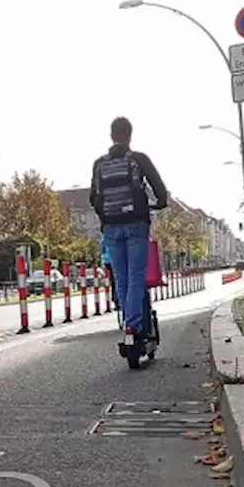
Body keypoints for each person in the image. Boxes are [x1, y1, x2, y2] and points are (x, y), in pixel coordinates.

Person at [89, 116, 168, 343]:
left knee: (121, 278)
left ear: (111, 136)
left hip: (111, 229)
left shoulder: (99, 164)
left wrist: (106, 216)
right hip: (136, 224)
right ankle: (133, 326)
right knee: (136, 276)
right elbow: (159, 187)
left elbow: (93, 197)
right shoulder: (139, 159)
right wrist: (160, 202)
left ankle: (127, 323)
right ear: (130, 135)